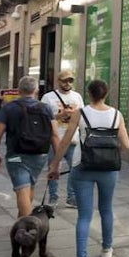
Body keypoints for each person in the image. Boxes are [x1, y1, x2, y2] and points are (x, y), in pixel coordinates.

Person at [48, 79, 129, 257]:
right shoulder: (116, 114)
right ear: (106, 94)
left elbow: (66, 140)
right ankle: (107, 249)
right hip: (109, 169)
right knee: (106, 208)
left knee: (84, 215)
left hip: (82, 166)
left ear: (89, 94)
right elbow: (126, 145)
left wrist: (55, 164)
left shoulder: (80, 113)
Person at [0, 76, 56, 221]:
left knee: (22, 190)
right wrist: (57, 159)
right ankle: (22, 218)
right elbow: (55, 135)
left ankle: (28, 227)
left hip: (16, 155)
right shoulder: (45, 108)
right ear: (36, 90)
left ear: (19, 90)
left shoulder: (9, 107)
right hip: (40, 155)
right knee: (28, 187)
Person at [41, 70, 83, 208]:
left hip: (73, 139)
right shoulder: (48, 97)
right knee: (54, 168)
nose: (68, 83)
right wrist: (60, 115)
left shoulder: (77, 96)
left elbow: (83, 116)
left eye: (70, 80)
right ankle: (53, 198)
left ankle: (71, 197)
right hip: (55, 140)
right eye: (65, 80)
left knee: (75, 169)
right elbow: (43, 118)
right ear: (58, 81)